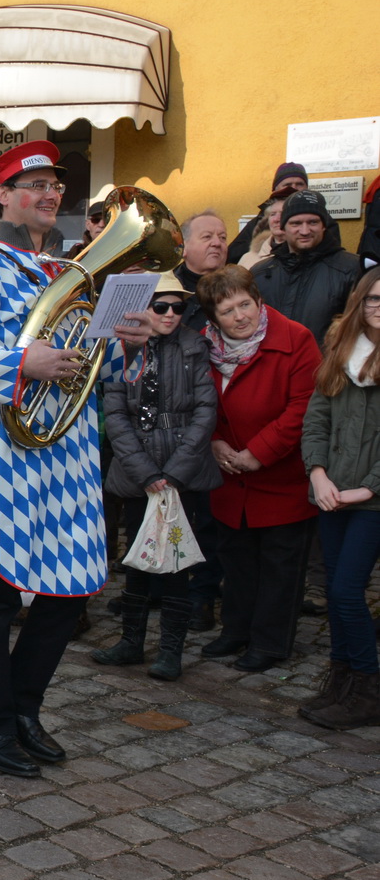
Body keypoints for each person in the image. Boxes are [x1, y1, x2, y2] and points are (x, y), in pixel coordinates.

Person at [0, 141, 154, 779]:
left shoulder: (67, 273)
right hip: (0, 456)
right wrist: (21, 363)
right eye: (33, 184)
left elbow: (90, 369)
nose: (50, 194)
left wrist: (126, 346)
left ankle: (25, 709)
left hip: (67, 456)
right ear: (1, 196)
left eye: (55, 185)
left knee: (67, 589)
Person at [91, 274, 220, 679]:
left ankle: (170, 651)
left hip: (184, 473)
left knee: (177, 564)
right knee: (138, 562)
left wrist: (175, 473)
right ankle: (131, 642)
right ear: (144, 308)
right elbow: (115, 414)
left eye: (177, 307)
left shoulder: (195, 345)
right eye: (159, 306)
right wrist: (146, 472)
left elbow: (205, 410)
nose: (168, 314)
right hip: (136, 472)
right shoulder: (122, 348)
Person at [196, 264, 318, 672]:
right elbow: (196, 402)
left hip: (281, 477)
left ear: (259, 301)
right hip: (228, 477)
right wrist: (213, 441)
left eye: (245, 304)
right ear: (214, 319)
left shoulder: (296, 340)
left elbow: (303, 409)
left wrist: (258, 453)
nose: (240, 316)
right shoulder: (203, 346)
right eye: (227, 311)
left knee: (280, 567)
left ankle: (270, 642)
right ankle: (236, 630)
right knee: (237, 560)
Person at [300, 267, 380, 729]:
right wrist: (318, 474)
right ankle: (341, 681)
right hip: (332, 493)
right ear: (359, 304)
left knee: (349, 590)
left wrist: (367, 487)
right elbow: (317, 419)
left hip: (372, 499)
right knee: (333, 589)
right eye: (371, 299)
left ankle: (368, 688)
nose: (377, 308)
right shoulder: (341, 353)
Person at [252, 189, 363, 346]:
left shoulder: (352, 270)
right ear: (283, 227)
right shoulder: (260, 273)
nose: (304, 231)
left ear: (324, 225)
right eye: (296, 223)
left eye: (313, 222)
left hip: (326, 369)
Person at [229, 162, 310, 264]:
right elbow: (233, 256)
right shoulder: (257, 223)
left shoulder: (321, 220)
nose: (293, 188)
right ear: (275, 189)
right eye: (287, 185)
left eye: (299, 184)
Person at [175, 211, 228, 338]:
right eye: (207, 237)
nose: (217, 243)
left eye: (223, 237)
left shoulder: (241, 287)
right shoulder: (165, 292)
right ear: (183, 248)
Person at [236, 195, 289, 271]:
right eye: (273, 214)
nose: (277, 219)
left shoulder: (304, 257)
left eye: (283, 213)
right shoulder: (248, 258)